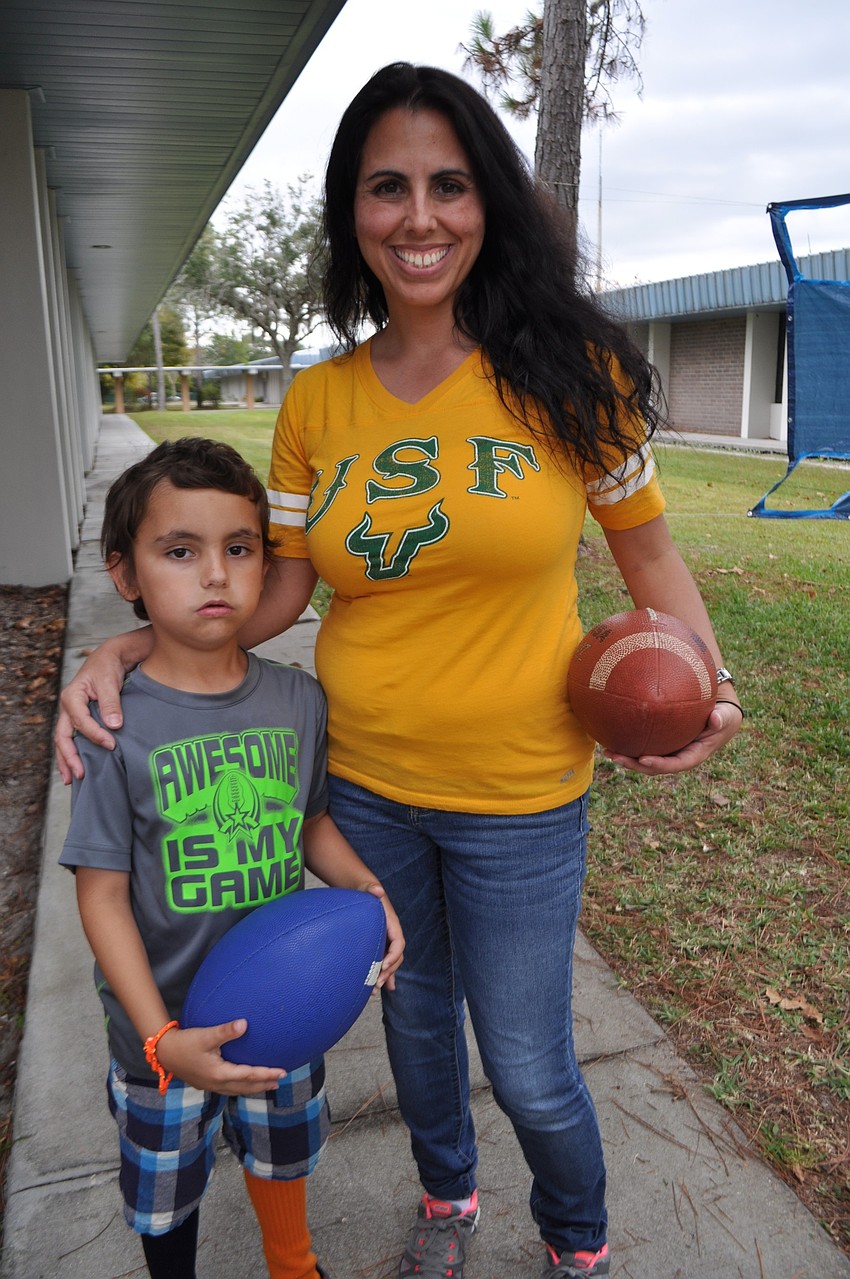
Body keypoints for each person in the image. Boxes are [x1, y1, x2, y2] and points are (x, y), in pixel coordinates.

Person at [56, 64, 744, 1279]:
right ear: (352, 211)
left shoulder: (573, 374)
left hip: (524, 792)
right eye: (388, 188)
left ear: (490, 206)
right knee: (416, 1025)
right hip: (364, 787)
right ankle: (448, 1199)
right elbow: (279, 586)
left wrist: (708, 680)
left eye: (449, 185)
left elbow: (650, 555)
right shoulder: (319, 400)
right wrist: (133, 643)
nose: (418, 216)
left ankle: (576, 1237)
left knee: (529, 1059)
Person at [58, 437, 403, 1279]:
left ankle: (293, 1262)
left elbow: (311, 821)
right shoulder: (113, 723)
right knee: (165, 1183)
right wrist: (159, 1037)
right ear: (126, 574)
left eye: (238, 549)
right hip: (164, 1021)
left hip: (283, 1001)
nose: (215, 574)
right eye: (181, 551)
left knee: (281, 1151)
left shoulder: (297, 698)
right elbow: (102, 898)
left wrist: (366, 890)